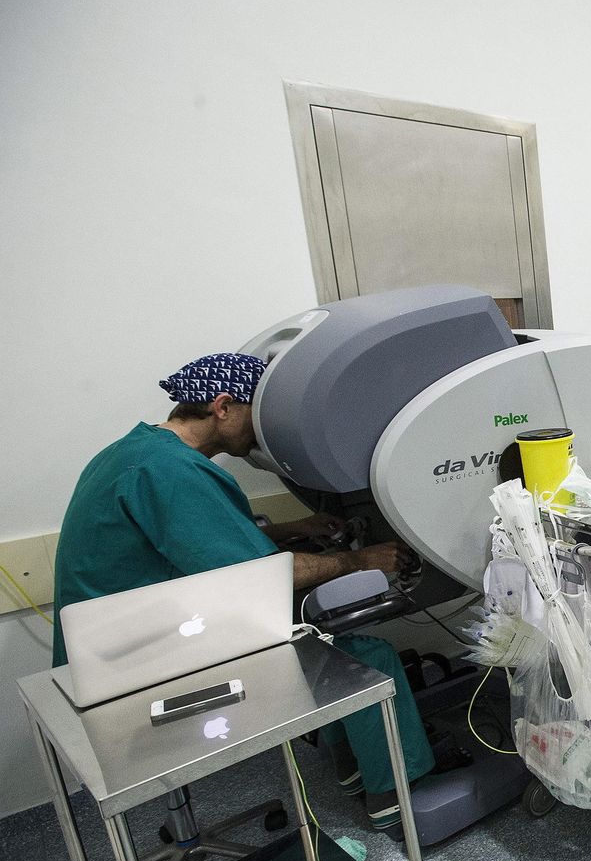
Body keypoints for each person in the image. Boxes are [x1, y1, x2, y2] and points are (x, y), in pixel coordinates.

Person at [52, 352, 448, 829]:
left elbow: (186, 539)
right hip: (145, 666)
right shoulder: (171, 471)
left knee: (324, 645)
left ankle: (353, 769)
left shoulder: (139, 453)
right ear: (222, 407)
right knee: (361, 657)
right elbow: (255, 574)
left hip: (112, 648)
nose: (262, 434)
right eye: (256, 418)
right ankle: (395, 793)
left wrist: (291, 528)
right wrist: (359, 560)